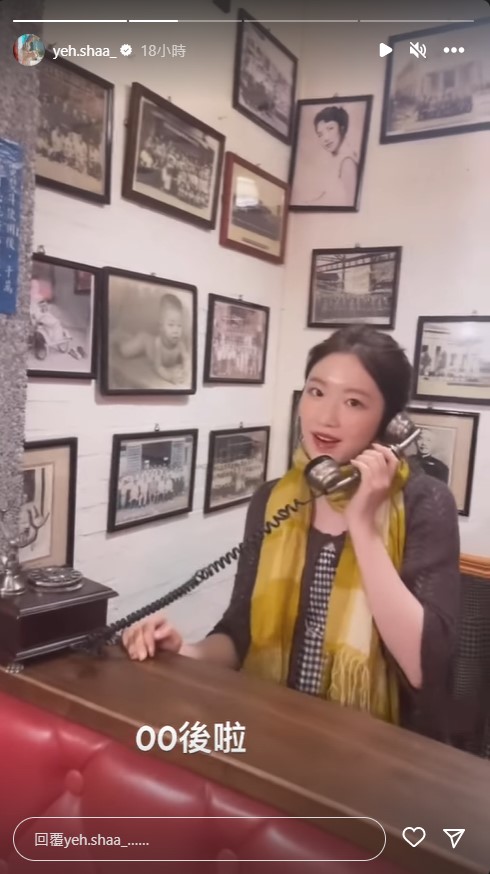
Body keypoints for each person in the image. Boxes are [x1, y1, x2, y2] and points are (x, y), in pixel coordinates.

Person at [122, 324, 461, 742]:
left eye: (354, 402)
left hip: (377, 750)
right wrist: (184, 650)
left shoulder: (425, 503)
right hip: (272, 732)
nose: (326, 417)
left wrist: (363, 524)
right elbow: (240, 633)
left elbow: (424, 667)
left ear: (390, 425)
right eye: (316, 392)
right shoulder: (275, 499)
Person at [115, 293, 188, 384]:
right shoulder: (158, 343)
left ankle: (128, 338)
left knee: (131, 347)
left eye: (179, 325)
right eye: (171, 325)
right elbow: (158, 367)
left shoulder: (180, 344)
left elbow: (187, 359)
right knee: (125, 351)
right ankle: (121, 339)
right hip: (145, 341)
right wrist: (170, 377)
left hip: (149, 340)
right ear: (161, 327)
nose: (176, 330)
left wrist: (185, 371)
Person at [309, 106, 359, 206]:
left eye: (330, 129)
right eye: (320, 134)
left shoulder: (347, 162)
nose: (325, 138)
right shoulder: (334, 160)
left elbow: (349, 206)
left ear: (342, 128)